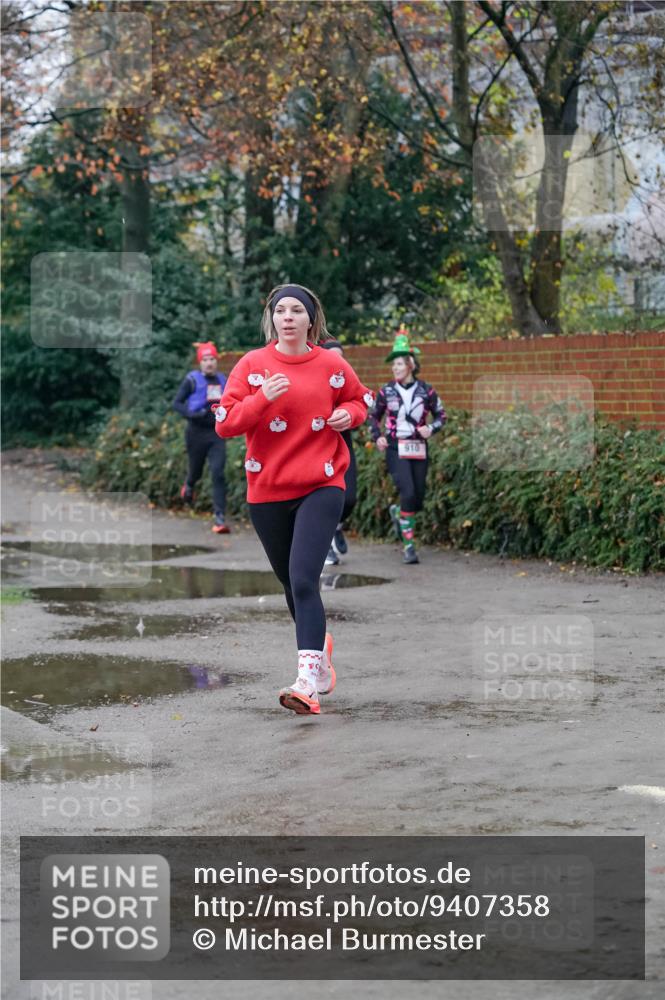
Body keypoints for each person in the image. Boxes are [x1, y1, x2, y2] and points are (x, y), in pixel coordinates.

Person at [214, 283, 372, 716]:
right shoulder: (253, 365)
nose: (288, 317)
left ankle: (307, 683)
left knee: (304, 580)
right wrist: (261, 398)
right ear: (271, 318)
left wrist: (350, 416)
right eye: (280, 310)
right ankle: (320, 654)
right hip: (266, 489)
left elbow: (361, 400)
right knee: (290, 584)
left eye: (296, 310)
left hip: (321, 483)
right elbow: (226, 424)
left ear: (310, 319)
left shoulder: (329, 364)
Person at [369, 328, 446, 564]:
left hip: (419, 446)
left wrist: (431, 429)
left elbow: (441, 415)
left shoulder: (427, 390)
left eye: (400, 364)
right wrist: (377, 436)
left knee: (418, 497)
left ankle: (397, 514)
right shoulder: (386, 391)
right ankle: (409, 546)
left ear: (411, 365)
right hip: (395, 447)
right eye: (393, 365)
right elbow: (373, 416)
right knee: (408, 491)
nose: (395, 369)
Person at [319, 339, 368, 565]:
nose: (339, 360)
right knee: (326, 500)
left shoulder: (346, 382)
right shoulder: (314, 381)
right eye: (334, 355)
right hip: (317, 449)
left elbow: (363, 402)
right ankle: (325, 545)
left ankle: (337, 527)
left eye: (342, 355)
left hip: (342, 446)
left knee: (349, 499)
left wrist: (351, 413)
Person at [172, 341, 230, 534]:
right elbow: (177, 403)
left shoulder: (223, 380)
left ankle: (219, 517)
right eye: (205, 359)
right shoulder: (192, 379)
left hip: (216, 432)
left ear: (216, 361)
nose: (209, 363)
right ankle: (189, 485)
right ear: (200, 362)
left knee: (218, 473)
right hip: (195, 432)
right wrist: (192, 414)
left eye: (212, 358)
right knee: (196, 471)